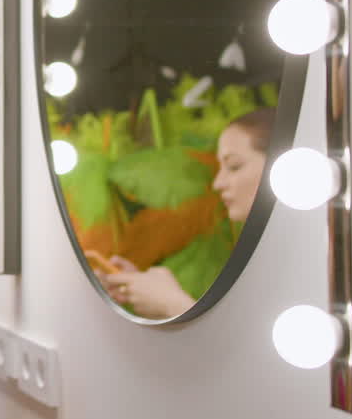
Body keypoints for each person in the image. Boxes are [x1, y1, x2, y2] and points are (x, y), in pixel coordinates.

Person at [101, 108, 273, 318]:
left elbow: (243, 348)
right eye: (220, 167)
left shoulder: (309, 257)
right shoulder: (258, 256)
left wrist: (172, 304)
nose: (218, 183)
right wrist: (147, 289)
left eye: (234, 166)